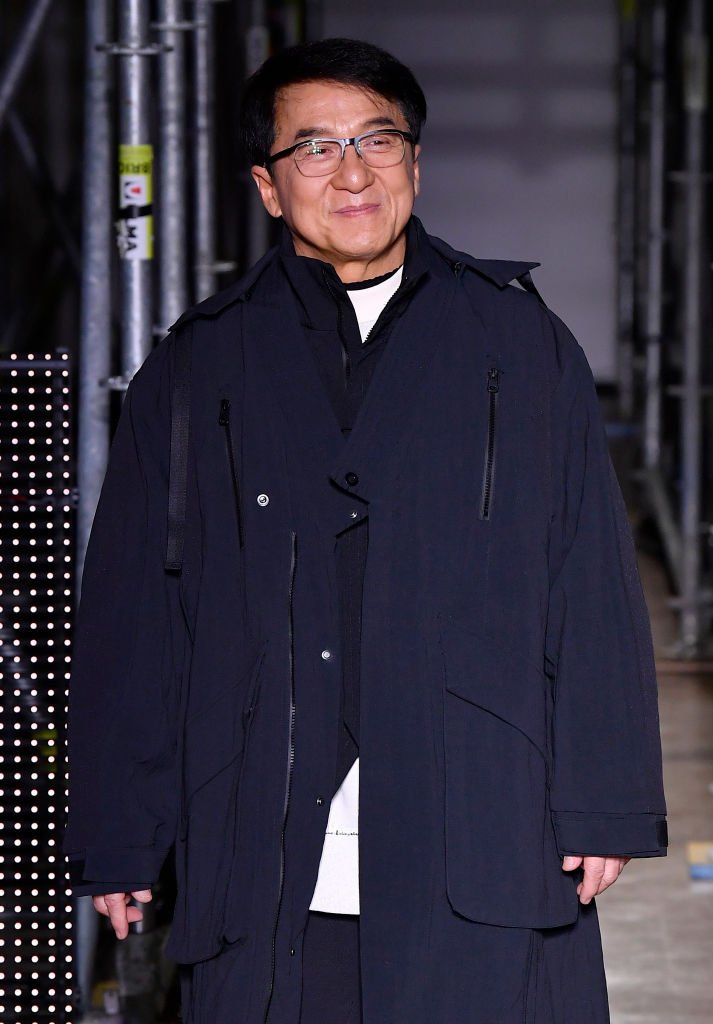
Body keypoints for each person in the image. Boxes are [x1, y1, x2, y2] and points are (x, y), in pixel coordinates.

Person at [65, 37, 667, 1024]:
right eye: (315, 148)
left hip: (476, 821)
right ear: (267, 185)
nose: (352, 171)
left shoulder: (516, 345)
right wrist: (123, 833)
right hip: (259, 832)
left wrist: (602, 802)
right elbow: (140, 608)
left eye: (376, 140)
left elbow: (587, 581)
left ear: (415, 164)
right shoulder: (199, 365)